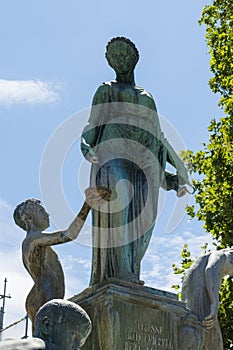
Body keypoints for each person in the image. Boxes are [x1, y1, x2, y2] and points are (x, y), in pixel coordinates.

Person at [81, 37, 189, 285]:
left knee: (140, 219)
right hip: (112, 156)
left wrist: (173, 177)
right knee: (119, 205)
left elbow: (158, 139)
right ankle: (121, 274)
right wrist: (85, 145)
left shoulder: (147, 97)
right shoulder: (106, 89)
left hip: (143, 163)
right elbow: (93, 124)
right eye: (114, 56)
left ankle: (130, 272)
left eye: (123, 55)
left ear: (134, 58)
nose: (119, 60)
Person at [13, 187, 110, 332]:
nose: (47, 214)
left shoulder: (33, 241)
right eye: (41, 211)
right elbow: (69, 235)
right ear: (29, 219)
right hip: (44, 297)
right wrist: (87, 205)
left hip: (42, 296)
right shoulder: (33, 240)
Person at [182, 248, 233, 350]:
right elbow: (211, 269)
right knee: (211, 338)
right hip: (199, 296)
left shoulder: (204, 260)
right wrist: (214, 304)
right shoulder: (222, 255)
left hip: (193, 296)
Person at [0, 299, 91, 350]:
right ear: (47, 326)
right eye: (74, 336)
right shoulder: (39, 345)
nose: (76, 348)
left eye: (80, 344)